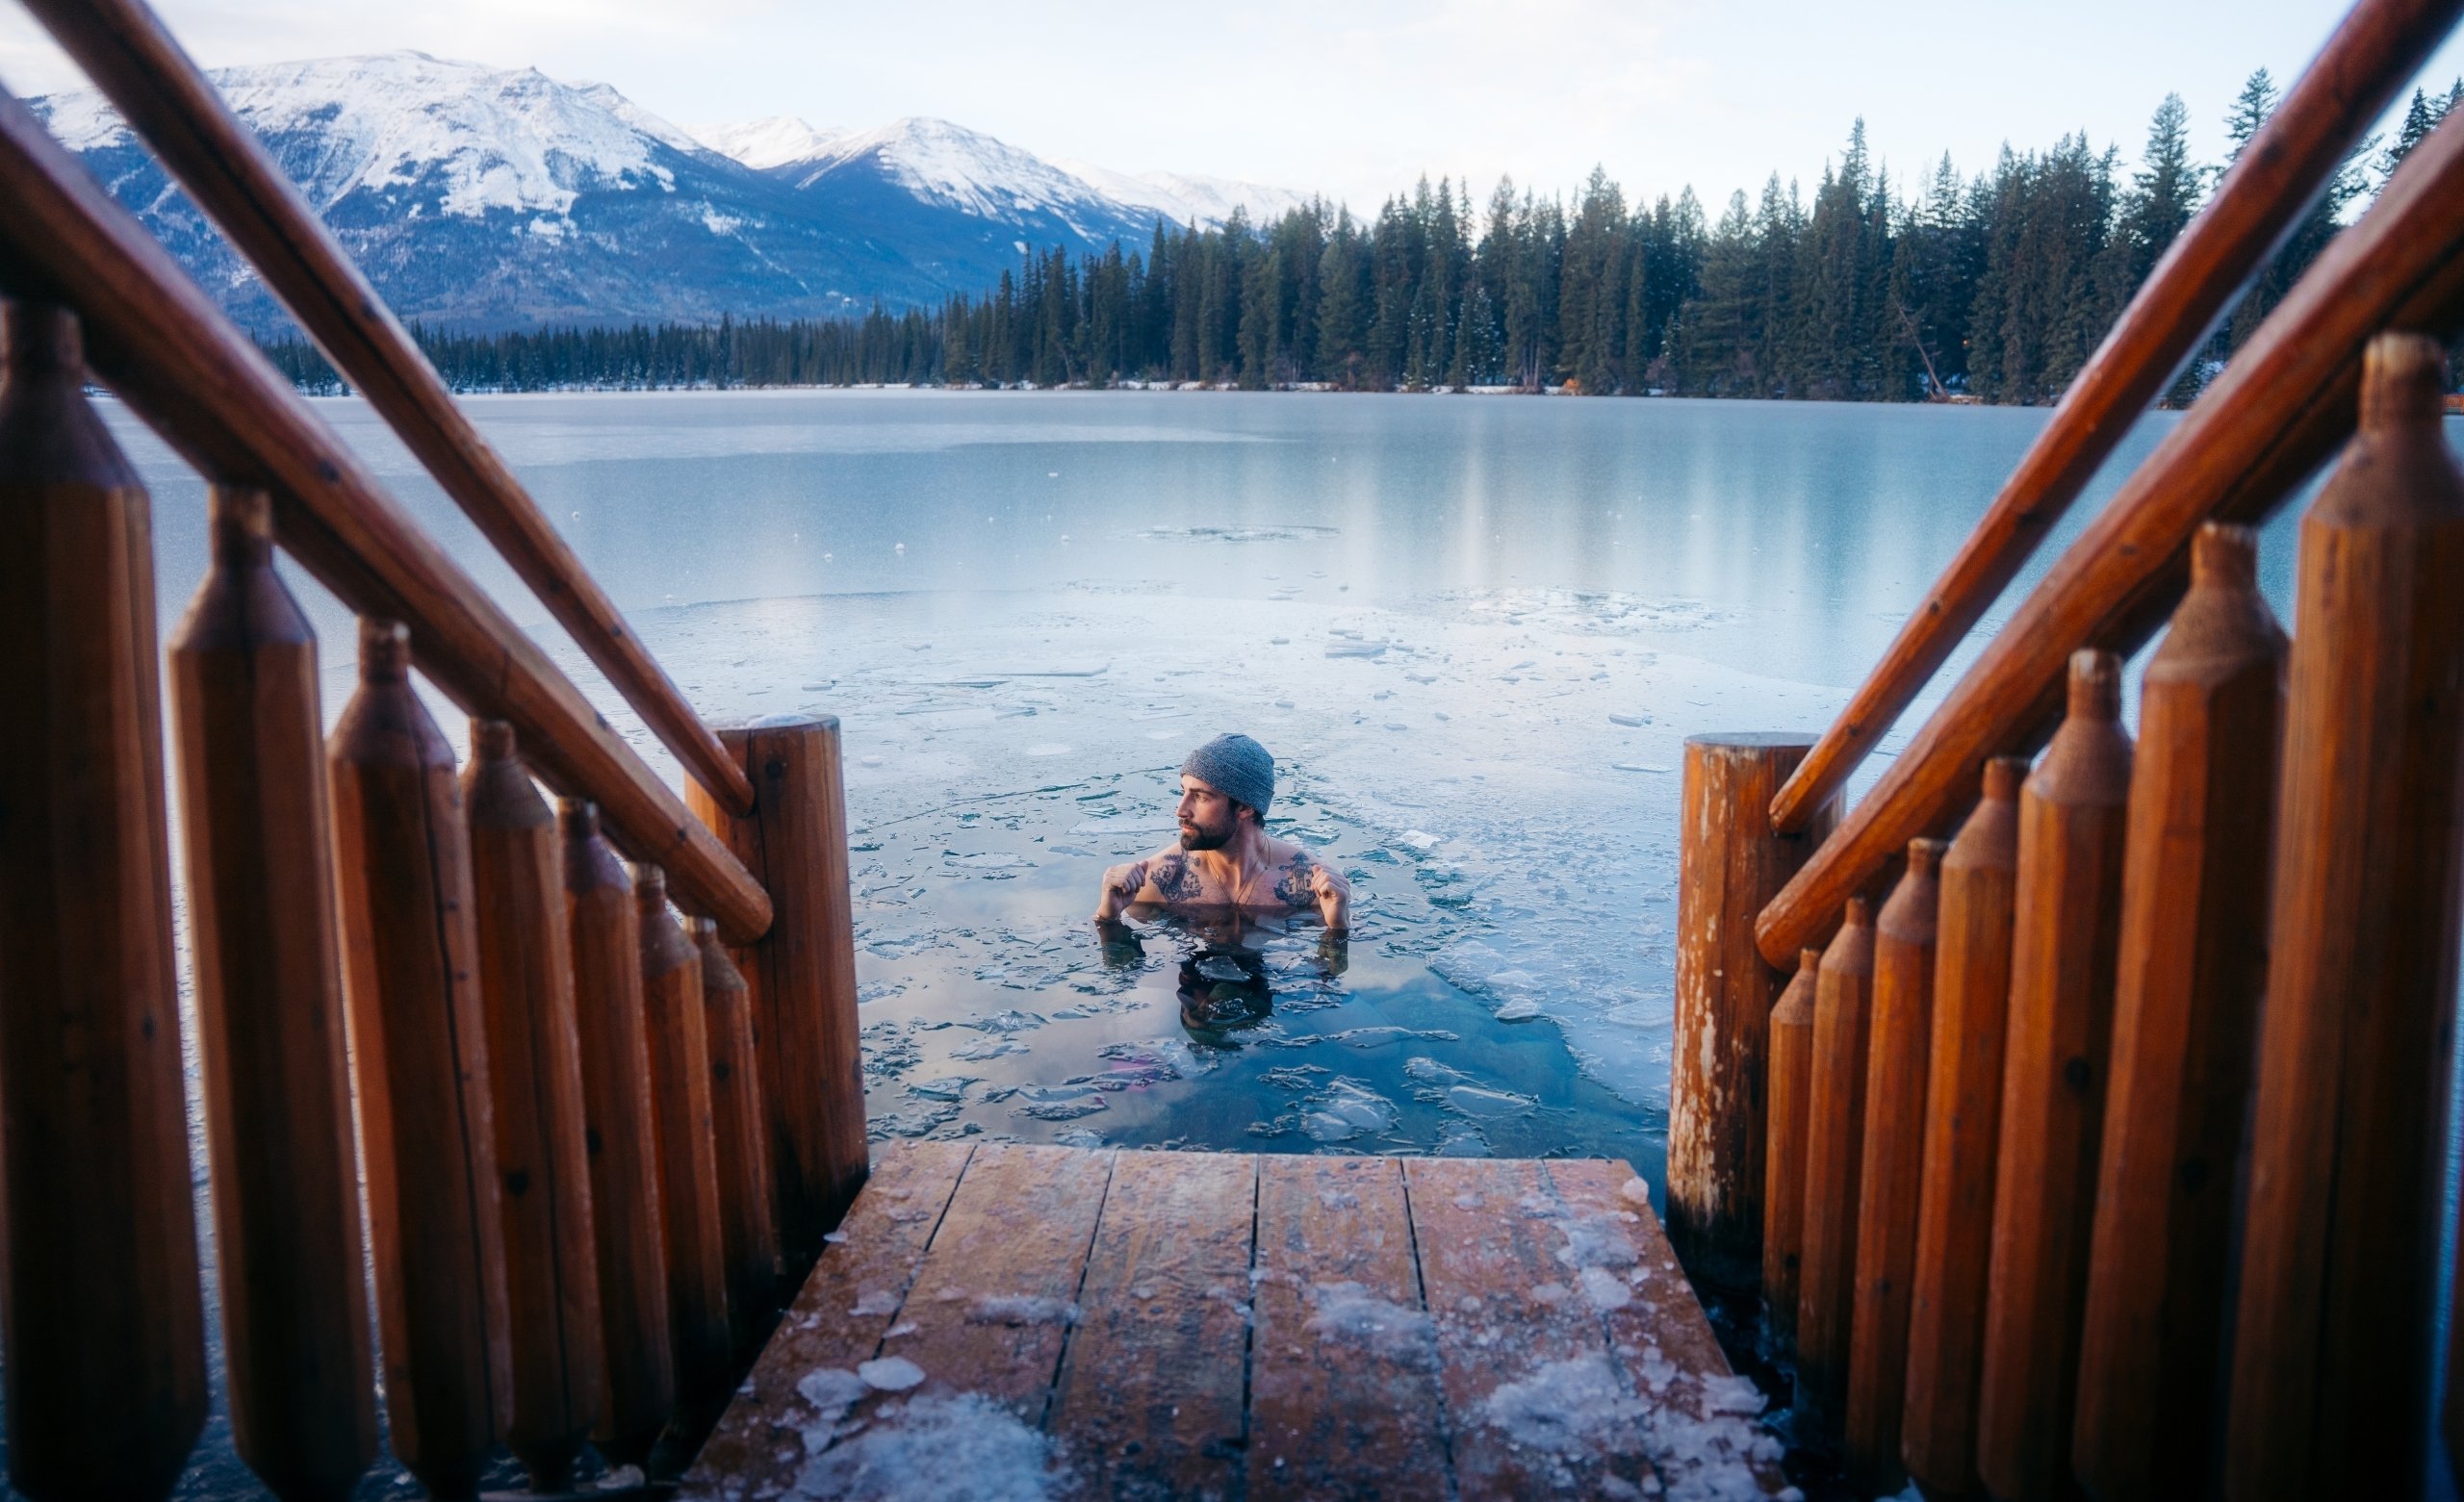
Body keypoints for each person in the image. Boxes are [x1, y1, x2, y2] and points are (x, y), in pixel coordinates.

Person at [1094, 732, 1350, 929]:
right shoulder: (1157, 879)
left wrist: (1338, 926)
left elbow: (1334, 981)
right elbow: (1124, 975)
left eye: (1200, 797)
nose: (1180, 810)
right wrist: (1107, 915)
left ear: (1245, 807)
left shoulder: (1311, 884)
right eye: (1183, 792)